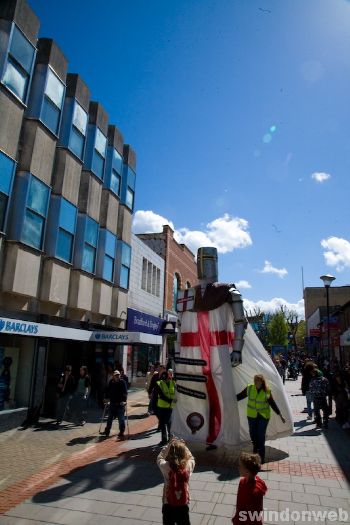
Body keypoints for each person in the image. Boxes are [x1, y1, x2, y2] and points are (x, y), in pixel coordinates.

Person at [171, 246, 292, 449]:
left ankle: (225, 434)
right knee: (194, 395)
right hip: (194, 353)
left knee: (226, 394)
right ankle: (204, 433)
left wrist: (237, 349)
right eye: (202, 260)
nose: (205, 265)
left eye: (208, 260)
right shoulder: (188, 294)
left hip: (221, 351)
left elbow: (240, 321)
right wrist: (177, 353)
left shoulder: (227, 290)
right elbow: (180, 326)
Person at [236, 374, 285, 463]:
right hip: (252, 415)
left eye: (258, 381)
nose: (256, 382)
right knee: (253, 435)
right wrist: (229, 399)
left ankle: (261, 458)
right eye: (255, 381)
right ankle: (255, 453)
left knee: (260, 436)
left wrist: (280, 414)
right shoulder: (250, 388)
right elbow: (239, 396)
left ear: (262, 382)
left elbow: (272, 403)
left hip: (263, 416)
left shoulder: (267, 391)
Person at [157, 437, 195, 525]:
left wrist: (168, 445)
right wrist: (184, 446)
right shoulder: (187, 466)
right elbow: (191, 458)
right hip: (183, 504)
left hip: (168, 504)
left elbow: (159, 458)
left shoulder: (165, 466)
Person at [232, 452, 267, 525]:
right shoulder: (242, 482)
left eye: (240, 466)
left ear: (247, 471)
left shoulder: (254, 492)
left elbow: (254, 514)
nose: (238, 467)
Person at [102, 370, 128, 438]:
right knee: (109, 418)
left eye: (118, 375)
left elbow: (125, 393)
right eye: (116, 375)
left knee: (121, 419)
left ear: (120, 375)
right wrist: (106, 398)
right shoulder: (111, 382)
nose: (117, 376)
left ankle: (121, 432)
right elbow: (108, 390)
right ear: (113, 376)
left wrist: (124, 401)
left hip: (120, 404)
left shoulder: (122, 382)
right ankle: (107, 431)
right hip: (112, 403)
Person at [156, 369, 177, 446]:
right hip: (161, 407)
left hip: (170, 408)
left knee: (169, 423)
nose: (165, 381)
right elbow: (161, 395)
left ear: (169, 377)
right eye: (164, 379)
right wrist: (170, 401)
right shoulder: (159, 383)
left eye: (167, 379)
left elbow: (177, 394)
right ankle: (164, 439)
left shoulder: (174, 383)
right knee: (162, 424)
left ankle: (170, 438)